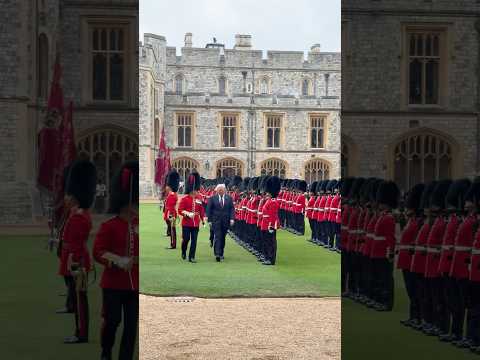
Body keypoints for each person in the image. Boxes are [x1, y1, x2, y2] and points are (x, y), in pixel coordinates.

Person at [93, 161, 139, 360]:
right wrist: (118, 261)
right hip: (113, 283)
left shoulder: (139, 225)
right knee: (112, 321)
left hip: (135, 283)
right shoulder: (110, 226)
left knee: (131, 327)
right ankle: (106, 351)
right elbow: (98, 252)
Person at [58, 160, 97, 344]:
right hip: (75, 259)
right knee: (78, 297)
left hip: (77, 261)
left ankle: (81, 333)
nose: (68, 198)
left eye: (71, 196)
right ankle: (80, 331)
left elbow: (76, 242)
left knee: (80, 300)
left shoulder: (80, 217)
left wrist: (73, 262)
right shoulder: (77, 214)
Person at [178, 171, 205, 263]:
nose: (197, 191)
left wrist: (203, 219)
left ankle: (191, 257)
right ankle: (183, 250)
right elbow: (180, 210)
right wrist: (188, 214)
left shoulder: (198, 199)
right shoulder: (184, 199)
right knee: (186, 239)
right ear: (191, 190)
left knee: (194, 241)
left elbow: (201, 210)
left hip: (196, 223)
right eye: (196, 190)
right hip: (186, 223)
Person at [206, 183, 235, 262]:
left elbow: (232, 209)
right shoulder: (212, 198)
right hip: (216, 221)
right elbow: (209, 210)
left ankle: (221, 252)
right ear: (217, 190)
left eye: (222, 190)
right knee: (218, 236)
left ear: (224, 190)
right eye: (219, 190)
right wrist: (209, 220)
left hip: (225, 221)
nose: (221, 191)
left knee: (223, 237)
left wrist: (232, 219)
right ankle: (217, 254)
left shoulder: (229, 198)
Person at [164, 169, 180, 249]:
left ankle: (173, 245)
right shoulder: (170, 195)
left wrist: (169, 216)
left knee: (172, 230)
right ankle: (172, 244)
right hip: (170, 213)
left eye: (167, 186)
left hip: (171, 214)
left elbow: (171, 207)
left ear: (170, 187)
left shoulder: (172, 195)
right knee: (171, 229)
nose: (166, 187)